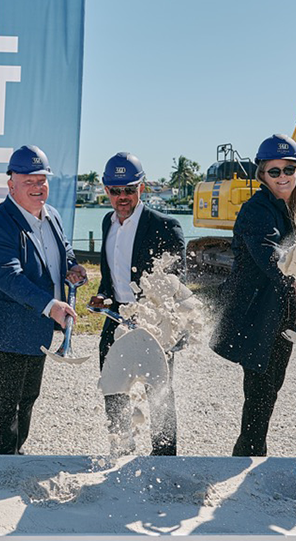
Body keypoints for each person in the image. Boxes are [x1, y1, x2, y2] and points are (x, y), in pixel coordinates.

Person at [0, 145, 87, 455]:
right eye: (29, 182)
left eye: (42, 181)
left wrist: (72, 266)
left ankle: (16, 457)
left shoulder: (53, 216)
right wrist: (52, 306)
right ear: (11, 185)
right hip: (3, 334)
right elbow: (9, 278)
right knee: (2, 411)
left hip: (36, 331)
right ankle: (0, 469)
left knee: (28, 399)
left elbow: (62, 250)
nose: (38, 188)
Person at [210, 134, 296, 457]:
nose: (283, 177)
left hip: (280, 319)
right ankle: (248, 460)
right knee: (259, 397)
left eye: (289, 169)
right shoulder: (256, 210)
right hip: (256, 319)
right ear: (261, 175)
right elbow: (271, 257)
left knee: (267, 396)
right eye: (275, 171)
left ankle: (251, 457)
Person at [87, 152, 186, 455]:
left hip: (154, 325)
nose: (122, 197)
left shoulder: (165, 227)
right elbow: (110, 276)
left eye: (129, 189)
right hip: (115, 320)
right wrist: (104, 296)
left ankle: (165, 459)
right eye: (115, 191)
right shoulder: (108, 223)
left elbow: (174, 284)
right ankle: (120, 450)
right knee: (113, 390)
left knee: (159, 395)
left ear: (141, 187)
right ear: (106, 190)